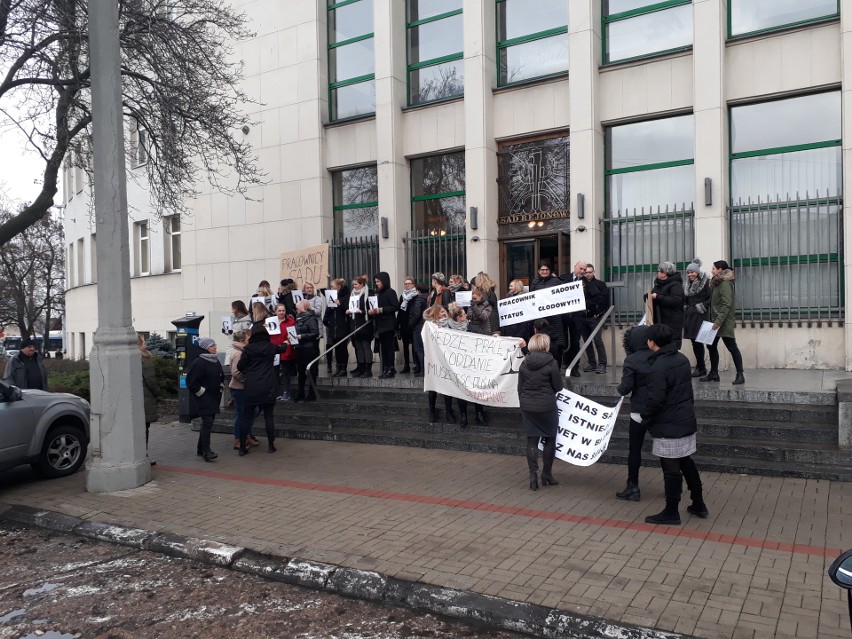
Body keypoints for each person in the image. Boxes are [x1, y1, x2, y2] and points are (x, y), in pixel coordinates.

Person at [641, 324, 707, 525]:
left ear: (653, 343)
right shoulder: (682, 359)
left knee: (671, 469)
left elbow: (655, 398)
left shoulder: (659, 366)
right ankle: (698, 503)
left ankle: (671, 511)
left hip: (668, 424)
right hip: (684, 419)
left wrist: (644, 415)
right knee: (686, 462)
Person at [518, 333, 565, 491]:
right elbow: (558, 387)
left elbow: (520, 388)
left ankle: (533, 475)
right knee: (550, 439)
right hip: (547, 406)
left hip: (528, 406)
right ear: (546, 346)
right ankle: (546, 474)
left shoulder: (524, 364)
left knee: (532, 440)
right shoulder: (552, 363)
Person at [614, 325, 654, 501]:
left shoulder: (632, 360)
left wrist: (618, 389)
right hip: (659, 409)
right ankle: (673, 486)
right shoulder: (659, 356)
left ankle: (633, 486)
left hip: (639, 410)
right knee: (665, 449)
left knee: (635, 449)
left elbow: (625, 388)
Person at [237, 323, 288, 455]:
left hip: (252, 386)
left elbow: (240, 366)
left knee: (246, 417)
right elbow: (281, 349)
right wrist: (286, 343)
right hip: (269, 385)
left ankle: (242, 447)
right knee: (268, 416)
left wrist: (249, 372)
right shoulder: (270, 347)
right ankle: (271, 445)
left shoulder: (248, 349)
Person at [701, 260, 745, 385]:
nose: (711, 270)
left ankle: (740, 374)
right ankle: (714, 373)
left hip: (723, 322)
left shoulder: (725, 284)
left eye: (714, 268)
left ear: (720, 270)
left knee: (732, 347)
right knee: (711, 346)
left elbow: (727, 304)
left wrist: (718, 321)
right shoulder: (717, 283)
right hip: (714, 321)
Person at [186, 336, 224, 462]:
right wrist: (201, 392)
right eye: (213, 346)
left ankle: (200, 449)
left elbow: (221, 375)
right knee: (207, 422)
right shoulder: (199, 362)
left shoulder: (215, 360)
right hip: (203, 398)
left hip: (214, 397)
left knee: (209, 422)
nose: (215, 348)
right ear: (206, 348)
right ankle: (207, 452)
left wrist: (221, 386)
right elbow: (191, 382)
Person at [530, 262, 568, 371]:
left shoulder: (557, 281)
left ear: (550, 270)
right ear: (538, 271)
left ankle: (557, 368)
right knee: (542, 343)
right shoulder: (535, 283)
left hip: (555, 318)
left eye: (546, 269)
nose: (544, 272)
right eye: (542, 270)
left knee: (557, 344)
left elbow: (564, 296)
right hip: (541, 318)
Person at [226, 329, 260, 450]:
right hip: (239, 388)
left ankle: (246, 435)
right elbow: (236, 372)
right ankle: (238, 439)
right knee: (242, 414)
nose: (250, 340)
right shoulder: (239, 353)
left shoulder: (241, 351)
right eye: (248, 338)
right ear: (242, 340)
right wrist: (247, 381)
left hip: (242, 388)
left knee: (252, 412)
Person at [423, 304, 455, 423]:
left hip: (447, 360)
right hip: (434, 360)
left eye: (445, 311)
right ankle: (432, 410)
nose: (444, 313)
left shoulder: (450, 324)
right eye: (441, 312)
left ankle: (448, 410)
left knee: (448, 386)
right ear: (436, 314)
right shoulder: (429, 326)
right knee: (433, 387)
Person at [683, 259, 711, 378]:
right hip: (690, 316)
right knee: (694, 342)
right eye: (688, 273)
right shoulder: (687, 284)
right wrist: (685, 307)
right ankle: (700, 367)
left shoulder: (706, 282)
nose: (690, 275)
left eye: (692, 272)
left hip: (700, 315)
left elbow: (711, 298)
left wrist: (701, 306)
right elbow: (686, 299)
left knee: (700, 342)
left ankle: (702, 368)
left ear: (698, 272)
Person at [369, 271, 399, 379]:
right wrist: (372, 311)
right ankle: (385, 368)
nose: (376, 283)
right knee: (383, 349)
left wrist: (381, 310)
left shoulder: (390, 292)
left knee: (389, 348)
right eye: (375, 281)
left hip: (388, 324)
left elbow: (395, 306)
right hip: (380, 325)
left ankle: (390, 368)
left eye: (378, 281)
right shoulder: (378, 293)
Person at [649, 262, 685, 350]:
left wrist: (657, 297)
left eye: (658, 271)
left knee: (670, 349)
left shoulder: (676, 285)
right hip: (660, 322)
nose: (657, 273)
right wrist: (647, 296)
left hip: (671, 323)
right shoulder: (659, 284)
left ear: (664, 274)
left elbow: (676, 300)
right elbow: (654, 296)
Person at [581, 263, 609, 374]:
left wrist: (599, 313)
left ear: (593, 272)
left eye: (590, 272)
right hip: (583, 317)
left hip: (594, 317)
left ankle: (603, 364)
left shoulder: (600, 284)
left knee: (597, 340)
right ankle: (592, 363)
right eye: (586, 272)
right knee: (587, 341)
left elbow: (604, 300)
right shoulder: (580, 284)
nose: (588, 274)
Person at [138, 334, 160, 465]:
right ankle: (143, 455)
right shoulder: (144, 359)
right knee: (144, 428)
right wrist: (157, 393)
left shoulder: (129, 358)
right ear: (139, 345)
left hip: (136, 398)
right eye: (143, 342)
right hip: (145, 398)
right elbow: (151, 380)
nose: (146, 345)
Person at [564, 260, 588, 377]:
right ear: (575, 267)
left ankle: (574, 367)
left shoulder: (586, 282)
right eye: (581, 268)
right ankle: (562, 364)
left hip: (577, 316)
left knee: (575, 342)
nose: (583, 271)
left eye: (584, 269)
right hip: (563, 315)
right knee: (562, 340)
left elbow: (594, 298)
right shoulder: (564, 278)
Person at [294, 299, 320, 402]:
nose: (296, 309)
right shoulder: (298, 319)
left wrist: (301, 336)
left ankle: (311, 394)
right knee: (300, 372)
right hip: (299, 348)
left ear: (302, 307)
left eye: (297, 307)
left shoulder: (311, 318)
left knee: (311, 372)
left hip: (309, 349)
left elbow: (315, 333)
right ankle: (300, 393)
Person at [346, 275, 373, 378]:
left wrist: (362, 311)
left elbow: (372, 308)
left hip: (365, 324)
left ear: (362, 284)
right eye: (353, 284)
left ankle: (368, 369)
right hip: (355, 324)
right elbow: (351, 306)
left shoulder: (368, 293)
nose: (354, 286)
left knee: (365, 346)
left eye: (356, 284)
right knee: (358, 347)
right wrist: (349, 311)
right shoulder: (352, 294)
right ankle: (361, 367)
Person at [325, 278, 351, 377]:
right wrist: (326, 320)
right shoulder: (332, 296)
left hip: (342, 326)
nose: (331, 288)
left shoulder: (346, 296)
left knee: (342, 348)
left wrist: (339, 304)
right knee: (337, 348)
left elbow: (347, 309)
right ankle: (339, 368)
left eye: (332, 286)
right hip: (333, 326)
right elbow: (329, 310)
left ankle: (343, 368)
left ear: (338, 287)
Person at [271, 304, 295, 401]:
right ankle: (276, 392)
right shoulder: (271, 322)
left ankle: (286, 392)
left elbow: (292, 336)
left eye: (283, 310)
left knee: (285, 372)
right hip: (275, 350)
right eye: (279, 310)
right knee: (274, 372)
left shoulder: (291, 322)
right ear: (275, 311)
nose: (281, 312)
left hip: (286, 350)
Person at [302, 282, 327, 373]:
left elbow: (317, 312)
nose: (309, 289)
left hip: (315, 326)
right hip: (305, 328)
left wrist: (309, 307)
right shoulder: (301, 298)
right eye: (307, 288)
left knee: (315, 348)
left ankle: (315, 368)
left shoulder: (318, 298)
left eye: (310, 287)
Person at [397, 275, 418, 374]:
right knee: (405, 346)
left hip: (413, 324)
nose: (407, 285)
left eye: (409, 284)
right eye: (405, 284)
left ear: (413, 284)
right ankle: (406, 365)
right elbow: (400, 310)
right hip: (404, 324)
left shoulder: (416, 295)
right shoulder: (402, 296)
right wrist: (398, 324)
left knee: (415, 346)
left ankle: (416, 364)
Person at [407, 283, 429, 377]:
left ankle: (422, 369)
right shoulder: (428, 298)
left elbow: (416, 314)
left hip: (418, 327)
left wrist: (410, 323)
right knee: (423, 348)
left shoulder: (419, 299)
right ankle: (421, 369)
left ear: (418, 291)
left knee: (418, 349)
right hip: (424, 326)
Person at [500, 279, 532, 344]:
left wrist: (520, 334)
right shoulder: (507, 299)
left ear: (517, 286)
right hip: (508, 329)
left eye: (511, 286)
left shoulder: (524, 299)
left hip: (519, 330)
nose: (509, 288)